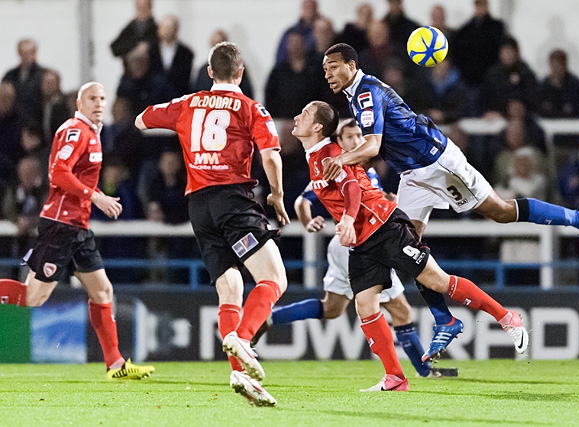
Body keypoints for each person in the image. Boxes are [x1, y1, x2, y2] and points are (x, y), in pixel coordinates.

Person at [320, 43, 579, 355]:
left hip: (437, 162)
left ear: (352, 65)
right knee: (406, 246)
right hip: (412, 173)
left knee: (500, 211)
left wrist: (341, 161)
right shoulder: (356, 96)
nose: (328, 75)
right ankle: (445, 321)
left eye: (334, 67)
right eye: (325, 70)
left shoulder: (367, 92)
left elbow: (372, 147)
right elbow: (374, 151)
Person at [293, 100, 529, 391]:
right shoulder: (314, 156)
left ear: (317, 127)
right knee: (365, 305)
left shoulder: (329, 153)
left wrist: (347, 219)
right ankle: (395, 378)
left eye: (303, 114)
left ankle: (507, 317)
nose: (296, 117)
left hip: (384, 227)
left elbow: (351, 187)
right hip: (363, 240)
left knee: (438, 280)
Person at [135, 42, 289, 407]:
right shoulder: (251, 108)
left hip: (198, 205)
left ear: (209, 73)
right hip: (233, 199)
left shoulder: (188, 103)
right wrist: (278, 195)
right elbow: (271, 155)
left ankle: (239, 372)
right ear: (240, 74)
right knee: (274, 279)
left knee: (230, 290)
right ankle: (246, 339)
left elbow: (143, 120)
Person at [252, 119, 457, 378]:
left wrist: (384, 199)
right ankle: (423, 371)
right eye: (348, 136)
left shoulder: (359, 167)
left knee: (332, 308)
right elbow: (305, 200)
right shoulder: (338, 164)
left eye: (359, 135)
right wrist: (308, 220)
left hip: (346, 243)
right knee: (401, 309)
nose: (355, 140)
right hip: (361, 242)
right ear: (339, 140)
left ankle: (269, 318)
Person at [0, 82, 155, 380]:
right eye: (92, 98)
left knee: (103, 290)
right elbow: (59, 172)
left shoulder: (93, 134)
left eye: (102, 98)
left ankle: (115, 365)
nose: (99, 103)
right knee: (33, 298)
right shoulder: (75, 130)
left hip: (77, 228)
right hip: (60, 225)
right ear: (79, 103)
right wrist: (96, 196)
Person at [2, 38, 45, 126]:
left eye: (31, 52)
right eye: (24, 53)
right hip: (13, 124)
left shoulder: (43, 75)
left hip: (36, 124)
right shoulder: (11, 75)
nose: (27, 56)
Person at [156, 14, 194, 95]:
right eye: (165, 28)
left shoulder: (186, 53)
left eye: (170, 28)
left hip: (177, 96)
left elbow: (185, 78)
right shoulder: (151, 51)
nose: (167, 31)